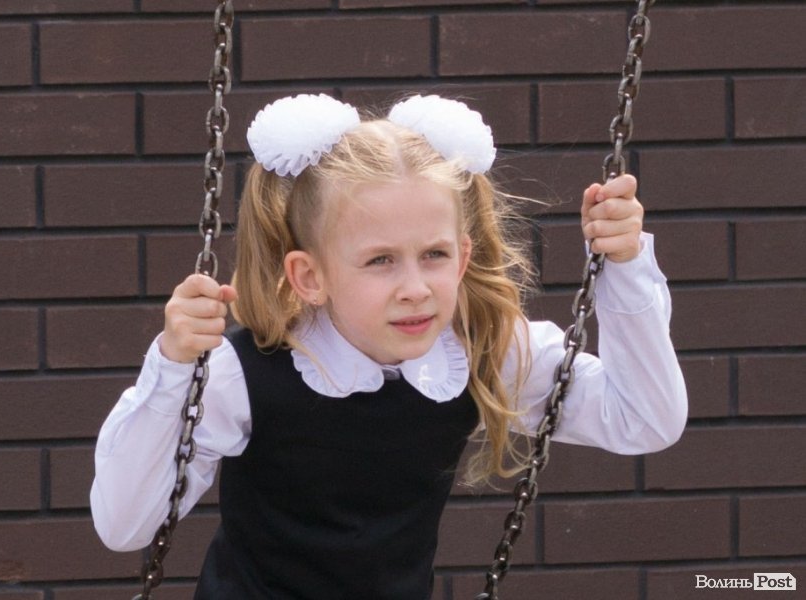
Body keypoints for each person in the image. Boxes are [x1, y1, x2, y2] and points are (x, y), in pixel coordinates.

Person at [91, 94, 687, 599]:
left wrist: (625, 266)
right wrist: (173, 368)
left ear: (463, 258)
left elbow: (644, 420)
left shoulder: (477, 353)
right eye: (380, 261)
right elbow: (125, 526)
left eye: (434, 255)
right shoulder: (241, 375)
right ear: (309, 276)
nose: (415, 288)